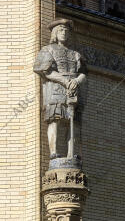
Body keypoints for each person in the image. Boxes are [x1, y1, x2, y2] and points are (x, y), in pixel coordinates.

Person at [33, 18, 86, 159]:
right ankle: (53, 152)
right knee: (54, 118)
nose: (64, 33)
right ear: (55, 33)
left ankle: (72, 153)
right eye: (61, 30)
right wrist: (65, 80)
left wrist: (76, 81)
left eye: (67, 31)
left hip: (73, 89)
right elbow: (45, 70)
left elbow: (83, 73)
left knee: (73, 120)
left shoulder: (75, 53)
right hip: (56, 88)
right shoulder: (48, 50)